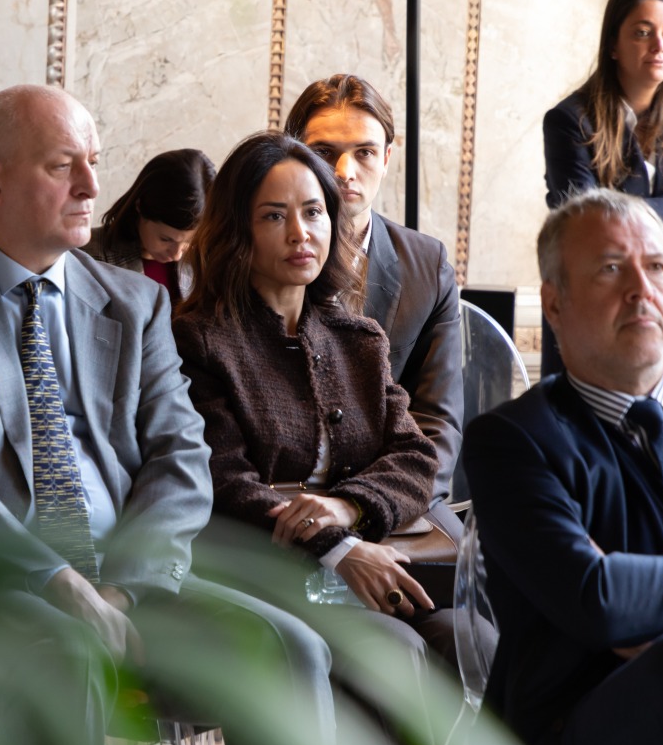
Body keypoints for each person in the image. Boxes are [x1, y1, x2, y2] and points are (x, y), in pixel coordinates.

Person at [0, 84, 335, 745]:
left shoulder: (134, 303)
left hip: (126, 579)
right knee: (69, 653)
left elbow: (181, 457)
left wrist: (124, 589)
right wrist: (58, 581)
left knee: (293, 648)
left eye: (94, 162)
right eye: (62, 166)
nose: (91, 186)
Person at [172, 131, 456, 678]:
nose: (300, 233)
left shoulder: (359, 339)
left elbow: (417, 457)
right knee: (394, 651)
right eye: (274, 216)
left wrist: (349, 508)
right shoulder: (199, 341)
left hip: (372, 554)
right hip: (268, 575)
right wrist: (336, 547)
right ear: (237, 230)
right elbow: (223, 481)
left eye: (313, 212)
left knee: (472, 640)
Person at [463, 188, 663, 745]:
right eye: (611, 268)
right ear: (554, 304)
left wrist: (642, 597)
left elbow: (619, 597)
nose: (642, 289)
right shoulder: (513, 440)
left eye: (657, 266)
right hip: (571, 724)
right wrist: (618, 600)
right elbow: (597, 599)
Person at [285, 74, 465, 544]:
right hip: (287, 493)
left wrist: (368, 503)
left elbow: (438, 424)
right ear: (293, 156)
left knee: (466, 583)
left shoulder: (428, 266)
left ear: (386, 158)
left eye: (364, 152)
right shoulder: (256, 257)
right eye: (324, 152)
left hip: (395, 491)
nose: (344, 170)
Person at [542, 0, 663, 375]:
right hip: (597, 305)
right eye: (643, 32)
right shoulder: (569, 121)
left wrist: (622, 208)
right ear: (613, 45)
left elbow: (612, 215)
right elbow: (589, 223)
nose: (659, 45)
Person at [81, 148, 214, 303]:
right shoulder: (88, 258)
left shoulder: (208, 259)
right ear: (140, 206)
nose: (177, 254)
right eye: (166, 239)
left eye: (189, 241)